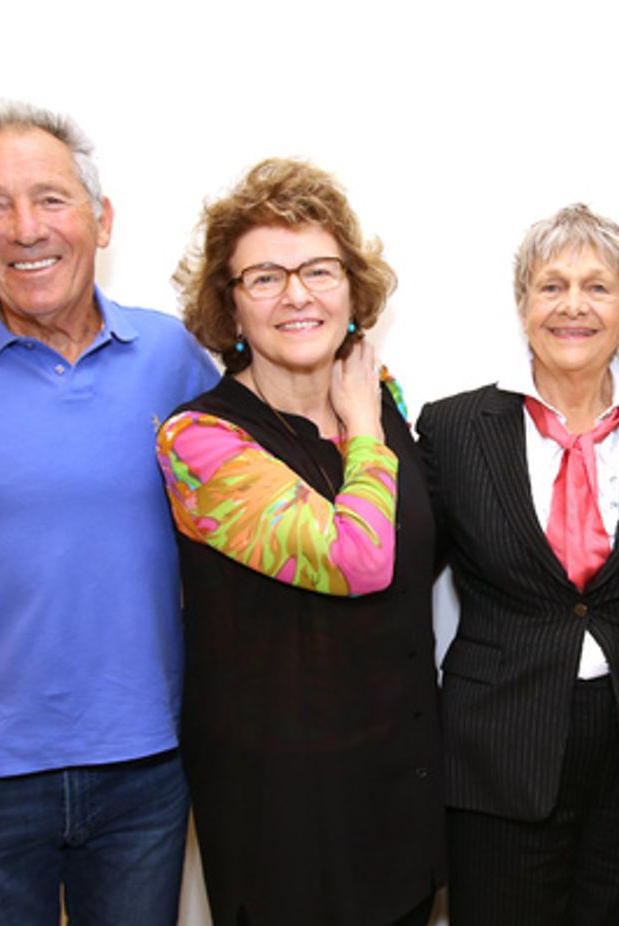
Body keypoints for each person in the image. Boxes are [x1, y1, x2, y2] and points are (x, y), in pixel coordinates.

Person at [0, 100, 217, 925]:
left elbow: (249, 525)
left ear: (101, 219)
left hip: (148, 780)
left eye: (51, 199)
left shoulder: (171, 358)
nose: (25, 229)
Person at [155, 157, 444, 926]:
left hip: (399, 786)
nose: (296, 295)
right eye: (264, 277)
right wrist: (366, 429)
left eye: (318, 270)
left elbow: (416, 548)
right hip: (284, 812)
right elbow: (359, 559)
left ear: (352, 290)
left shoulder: (379, 397)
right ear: (230, 305)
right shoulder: (198, 440)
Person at [416, 203, 619, 925]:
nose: (573, 306)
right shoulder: (453, 430)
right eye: (551, 286)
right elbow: (401, 583)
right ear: (522, 304)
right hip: (497, 750)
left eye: (597, 287)